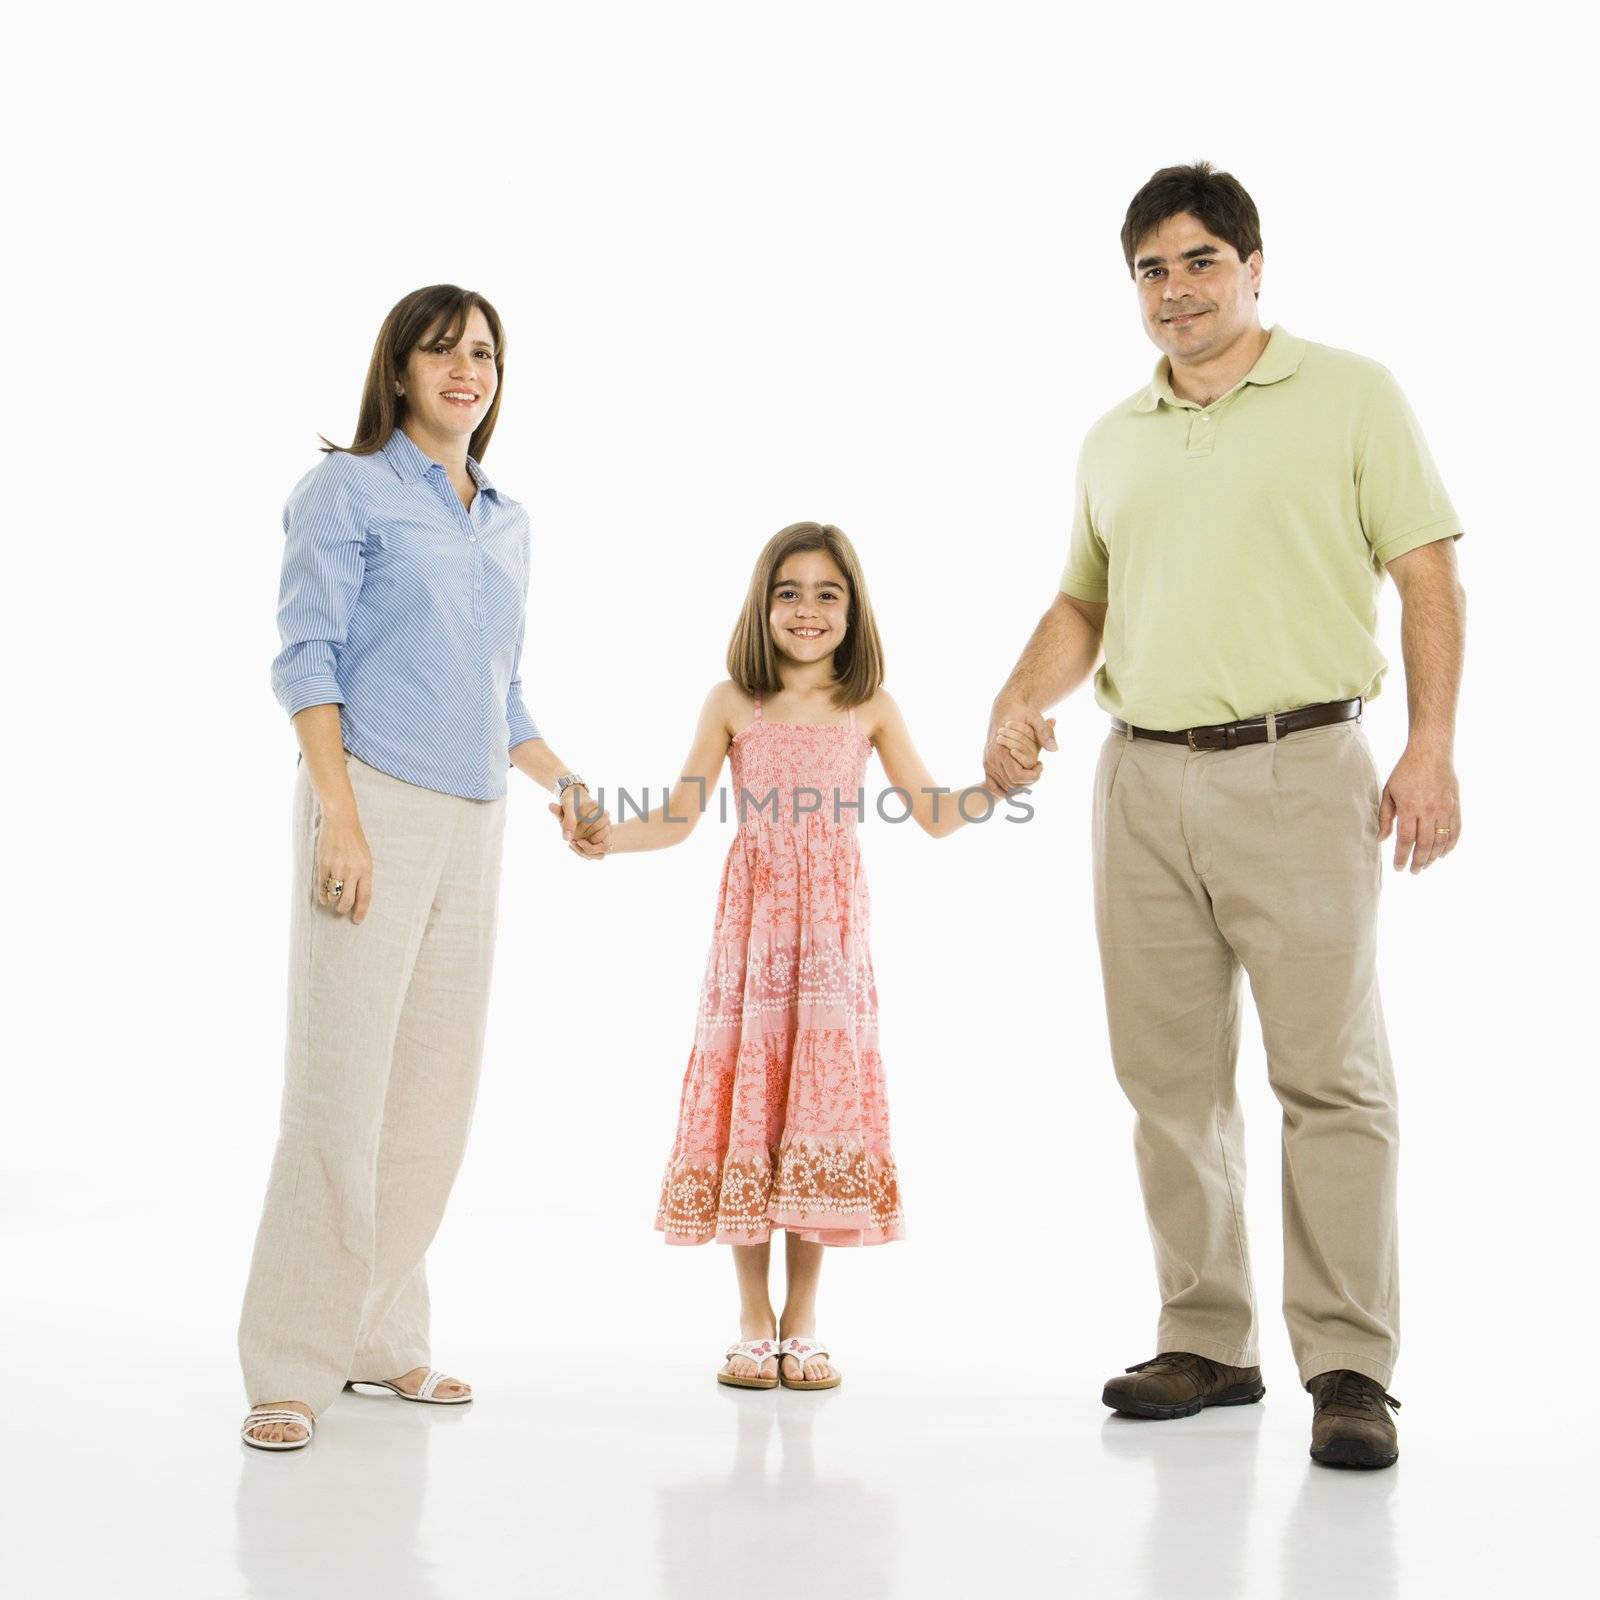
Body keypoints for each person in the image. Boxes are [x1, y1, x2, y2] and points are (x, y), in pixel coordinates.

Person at [985, 164, 1466, 1470]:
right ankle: (1208, 1337)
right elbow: (1084, 604)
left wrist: (1430, 747)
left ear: (1255, 266)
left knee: (1331, 1076)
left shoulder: (1351, 394)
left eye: (1198, 261)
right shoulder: (1115, 436)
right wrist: (1016, 700)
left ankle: (1351, 1364)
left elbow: (1424, 569)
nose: (1175, 290)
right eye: (1150, 269)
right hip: (1141, 781)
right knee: (1167, 1080)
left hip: (1301, 768)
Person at [238, 285, 609, 1451]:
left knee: (429, 1099)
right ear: (398, 368)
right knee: (338, 1091)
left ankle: (383, 1338)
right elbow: (306, 658)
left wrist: (567, 784)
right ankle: (290, 1365)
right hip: (374, 797)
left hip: (478, 814)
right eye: (442, 351)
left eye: (485, 352)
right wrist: (337, 818)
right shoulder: (347, 488)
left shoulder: (506, 515)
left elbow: (498, 687)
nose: (467, 369)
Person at [607, 521, 1007, 1390]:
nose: (808, 610)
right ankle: (753, 1319)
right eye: (789, 592)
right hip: (753, 935)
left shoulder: (870, 707)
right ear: (763, 604)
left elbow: (935, 813)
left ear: (853, 608)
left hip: (829, 938)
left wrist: (998, 787)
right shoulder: (732, 703)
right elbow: (677, 816)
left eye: (829, 593)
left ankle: (806, 1321)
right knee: (756, 1098)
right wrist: (607, 838)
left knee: (814, 1108)